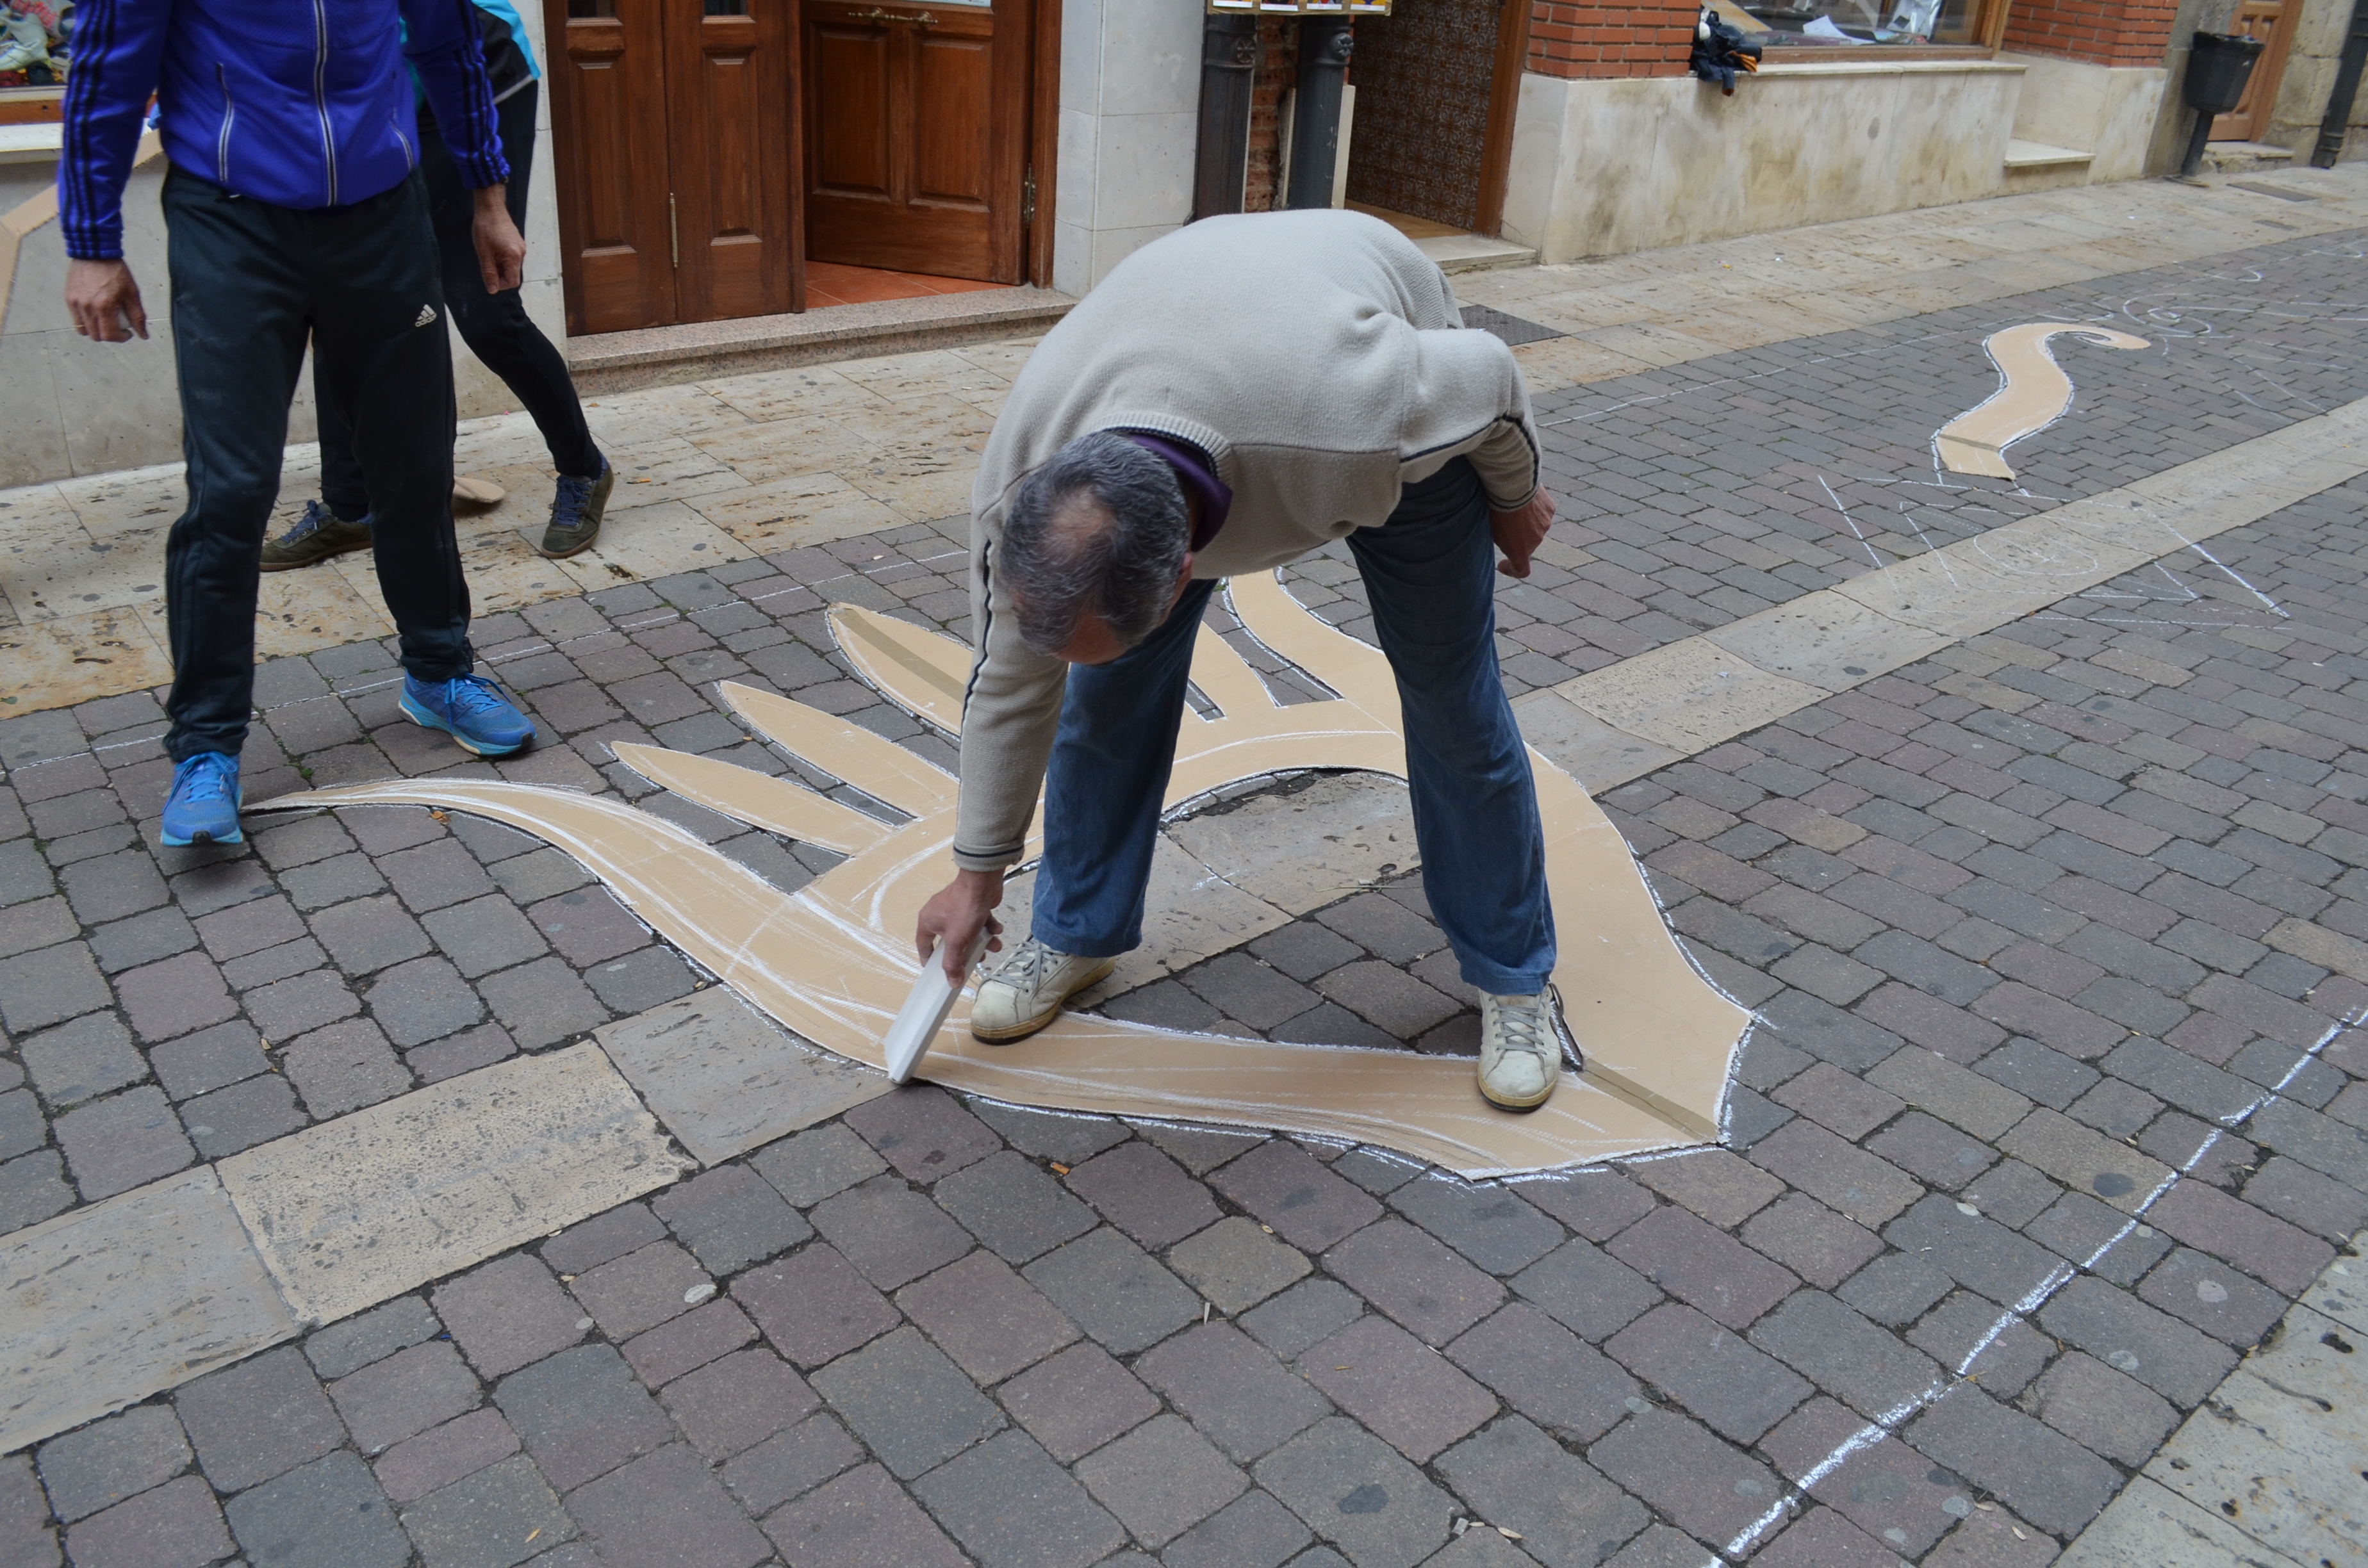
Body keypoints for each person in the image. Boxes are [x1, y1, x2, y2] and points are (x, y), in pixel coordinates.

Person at [915, 209, 1570, 1111]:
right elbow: (1008, 689)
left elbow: (1490, 379)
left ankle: (1514, 979)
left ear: (1184, 577)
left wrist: (1516, 494)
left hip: (1373, 399)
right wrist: (974, 879)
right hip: (1208, 356)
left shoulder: (1359, 418)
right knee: (1106, 700)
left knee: (1452, 701)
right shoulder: (1023, 493)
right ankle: (1077, 932)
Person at [61, 0, 540, 849]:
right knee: (230, 493)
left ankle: (439, 672)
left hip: (381, 216)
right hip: (233, 223)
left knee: (414, 466)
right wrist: (93, 241)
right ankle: (206, 747)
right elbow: (108, 71)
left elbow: (450, 45)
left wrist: (489, 195)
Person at [263, 0, 613, 573]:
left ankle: (583, 469)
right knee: (341, 301)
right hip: (380, 90)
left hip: (475, 68)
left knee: (487, 312)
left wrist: (490, 206)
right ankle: (351, 507)